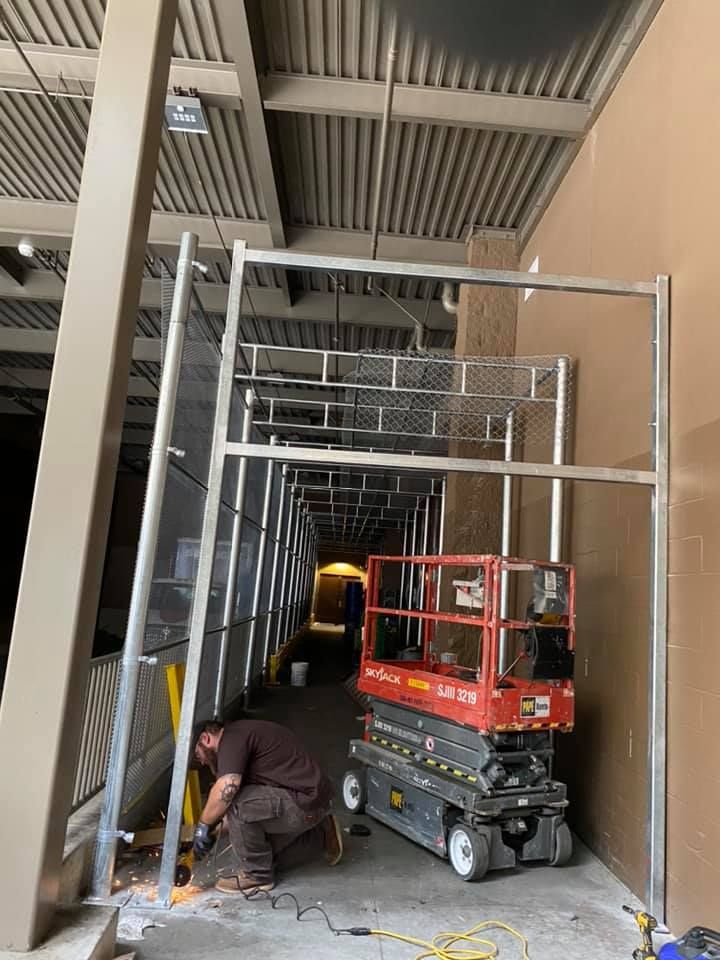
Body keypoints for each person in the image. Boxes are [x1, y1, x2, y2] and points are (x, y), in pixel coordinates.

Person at [191, 718, 342, 895]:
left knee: (235, 801)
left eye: (197, 755)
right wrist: (212, 834)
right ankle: (322, 834)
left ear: (205, 739)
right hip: (310, 804)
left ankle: (257, 876)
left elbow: (228, 791)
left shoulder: (232, 739)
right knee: (263, 856)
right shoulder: (239, 740)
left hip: (303, 801)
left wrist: (203, 826)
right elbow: (235, 818)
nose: (201, 762)